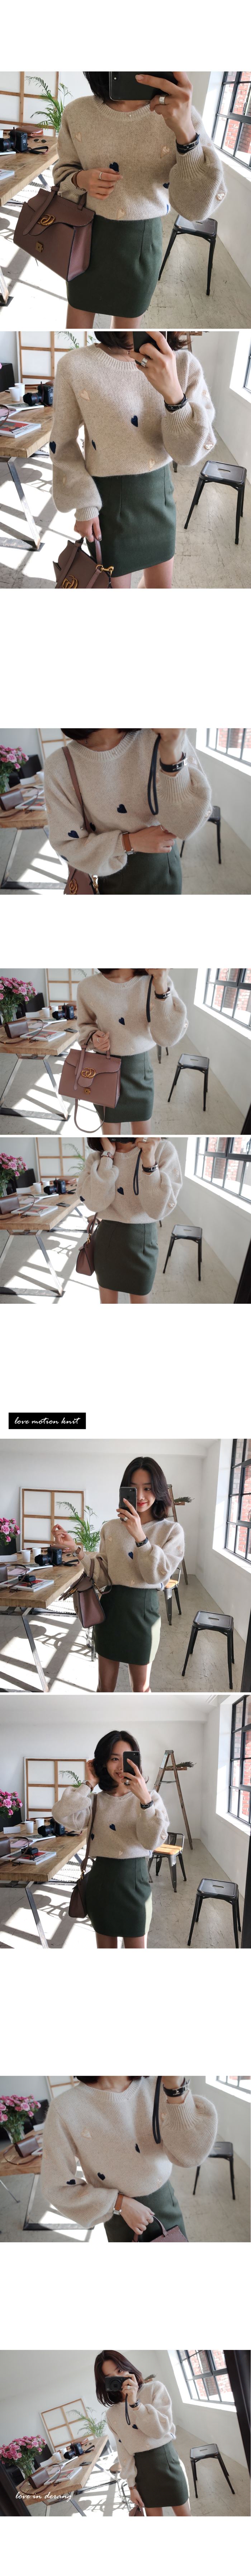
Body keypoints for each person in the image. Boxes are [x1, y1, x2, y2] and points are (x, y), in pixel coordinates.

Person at [53, 72, 226, 328]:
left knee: (127, 340)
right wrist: (81, 180)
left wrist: (185, 133)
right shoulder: (77, 112)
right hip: (83, 238)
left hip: (141, 246)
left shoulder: (182, 115)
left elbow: (196, 210)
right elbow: (62, 174)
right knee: (77, 327)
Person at [50, 329, 216, 590]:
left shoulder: (184, 365)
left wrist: (174, 394)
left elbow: (187, 455)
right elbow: (62, 444)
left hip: (159, 499)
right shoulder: (76, 365)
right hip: (108, 506)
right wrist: (84, 503)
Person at [53, 1453, 184, 1691]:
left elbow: (157, 1576)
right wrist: (77, 1550)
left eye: (148, 1488)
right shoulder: (111, 1528)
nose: (141, 1496)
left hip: (144, 1615)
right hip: (110, 1612)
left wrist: (140, 1537)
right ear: (125, 1491)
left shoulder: (172, 1531)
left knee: (141, 1690)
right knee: (104, 1688)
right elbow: (103, 1575)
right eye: (134, 1488)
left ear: (158, 1490)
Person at [41, 2074, 217, 2238]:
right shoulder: (65, 2108)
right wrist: (119, 2204)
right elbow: (56, 2187)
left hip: (165, 2204)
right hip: (120, 2218)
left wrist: (176, 2089)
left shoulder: (159, 2085)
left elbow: (190, 2156)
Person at [44, 726, 211, 896]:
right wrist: (128, 843)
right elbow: (68, 845)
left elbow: (185, 827)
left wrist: (172, 753)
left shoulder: (164, 736)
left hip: (163, 865)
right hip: (110, 872)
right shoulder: (61, 766)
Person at [51, 1725, 168, 1946]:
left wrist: (145, 1800)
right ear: (103, 1762)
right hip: (101, 1885)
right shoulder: (95, 1801)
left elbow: (151, 1842)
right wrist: (89, 1784)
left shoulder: (151, 1799)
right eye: (114, 1759)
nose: (121, 1766)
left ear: (136, 1762)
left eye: (127, 1759)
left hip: (136, 1885)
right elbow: (61, 1815)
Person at [76, 965, 188, 1134]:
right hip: (104, 1070)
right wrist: (93, 1038)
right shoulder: (88, 986)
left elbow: (167, 1038)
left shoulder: (156, 981)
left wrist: (161, 986)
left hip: (140, 1070)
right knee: (111, 1138)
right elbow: (85, 1025)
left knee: (142, 1139)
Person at [80, 1133, 182, 1302]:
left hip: (143, 1243)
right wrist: (108, 1156)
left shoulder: (162, 1150)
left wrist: (149, 1162)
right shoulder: (97, 1158)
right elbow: (95, 1204)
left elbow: (157, 1210)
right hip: (107, 1242)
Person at [94, 2348, 191, 2512]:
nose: (119, 2377)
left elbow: (159, 2431)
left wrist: (136, 2404)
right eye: (111, 2377)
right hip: (143, 2473)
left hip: (168, 2463)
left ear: (128, 2367)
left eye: (120, 2371)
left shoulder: (155, 2389)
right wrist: (132, 2487)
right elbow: (123, 2451)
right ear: (105, 2383)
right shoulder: (112, 2414)